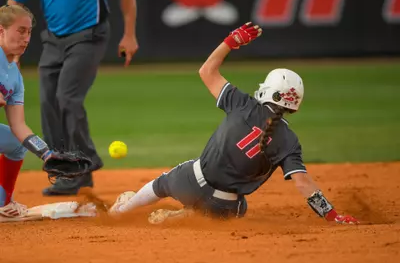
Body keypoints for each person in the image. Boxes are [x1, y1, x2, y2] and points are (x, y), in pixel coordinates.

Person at [107, 22, 359, 225]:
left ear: (270, 91)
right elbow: (303, 183)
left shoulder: (243, 104)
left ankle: (122, 211)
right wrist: (332, 215)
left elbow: (206, 71)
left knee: (161, 184)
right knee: (241, 207)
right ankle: (196, 216)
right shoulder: (289, 141)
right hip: (224, 205)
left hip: (190, 182)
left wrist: (231, 42)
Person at [7, 0, 139, 196]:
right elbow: (14, 4)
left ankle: (84, 161)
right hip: (52, 39)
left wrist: (130, 34)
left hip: (89, 36)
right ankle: (69, 174)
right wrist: (11, 46)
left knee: (67, 97)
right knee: (48, 101)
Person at [0, 5, 93, 222]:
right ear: (1, 31)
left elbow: (19, 125)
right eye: (20, 30)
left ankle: (2, 204)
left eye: (29, 32)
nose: (26, 37)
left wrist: (47, 154)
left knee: (16, 143)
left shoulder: (14, 77)